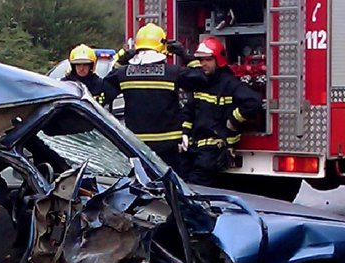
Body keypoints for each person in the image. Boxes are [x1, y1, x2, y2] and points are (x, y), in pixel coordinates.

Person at [99, 23, 192, 172]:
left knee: (142, 182)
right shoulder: (173, 72)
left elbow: (104, 87)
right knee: (170, 183)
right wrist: (185, 55)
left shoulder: (124, 73)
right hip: (168, 147)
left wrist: (120, 62)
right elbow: (201, 79)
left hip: (137, 146)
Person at [180, 36, 263, 185]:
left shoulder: (228, 83)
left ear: (218, 60)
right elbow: (189, 109)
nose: (203, 64)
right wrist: (185, 133)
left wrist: (233, 119)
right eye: (201, 60)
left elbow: (254, 102)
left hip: (214, 147)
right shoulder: (199, 83)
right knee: (179, 179)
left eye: (208, 60)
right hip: (194, 146)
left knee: (195, 185)